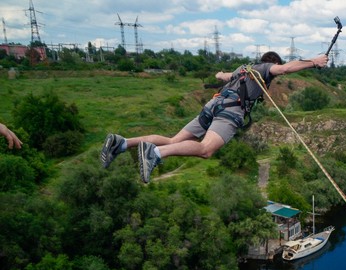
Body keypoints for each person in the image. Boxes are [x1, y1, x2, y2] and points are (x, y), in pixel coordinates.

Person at [101, 51, 329, 183]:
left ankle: (121, 144)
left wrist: (220, 74)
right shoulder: (266, 68)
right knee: (206, 150)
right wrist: (313, 62)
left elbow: (222, 75)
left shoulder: (243, 70)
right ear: (272, 63)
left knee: (173, 140)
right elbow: (286, 69)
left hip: (212, 105)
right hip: (229, 112)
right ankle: (156, 154)